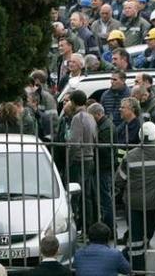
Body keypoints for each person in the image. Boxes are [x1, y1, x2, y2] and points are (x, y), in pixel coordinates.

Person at [116, 122, 155, 272]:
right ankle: (129, 258)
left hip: (134, 205)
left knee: (136, 241)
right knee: (145, 237)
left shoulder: (130, 156)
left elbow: (119, 180)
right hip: (154, 205)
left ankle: (137, 270)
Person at [67, 90, 98, 230]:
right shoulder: (90, 117)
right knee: (87, 195)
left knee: (78, 195)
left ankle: (81, 226)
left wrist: (70, 159)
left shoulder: (77, 118)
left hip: (80, 160)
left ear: (73, 102)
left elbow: (74, 142)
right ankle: (88, 225)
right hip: (90, 158)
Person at [89, 103, 116, 230]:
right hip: (101, 167)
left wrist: (93, 141)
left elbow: (104, 149)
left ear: (99, 114)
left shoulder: (106, 127)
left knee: (105, 200)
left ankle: (110, 228)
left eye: (91, 116)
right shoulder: (103, 126)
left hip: (104, 168)